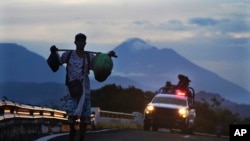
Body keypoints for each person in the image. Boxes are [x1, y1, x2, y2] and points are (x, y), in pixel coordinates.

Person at [50, 33, 113, 141]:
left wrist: (108, 56)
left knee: (85, 116)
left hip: (85, 90)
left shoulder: (89, 57)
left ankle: (82, 136)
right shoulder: (68, 55)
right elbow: (59, 62)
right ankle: (72, 131)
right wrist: (54, 52)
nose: (81, 43)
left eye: (83, 41)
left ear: (85, 43)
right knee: (71, 115)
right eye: (79, 41)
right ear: (75, 42)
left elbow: (99, 64)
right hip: (72, 89)